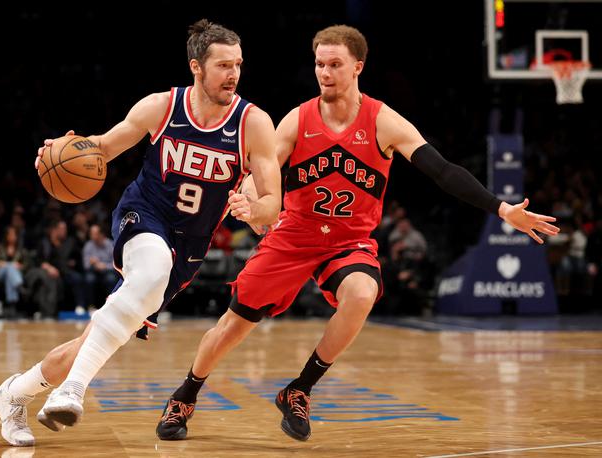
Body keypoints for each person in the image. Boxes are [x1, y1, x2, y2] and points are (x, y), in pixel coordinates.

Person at [156, 24, 560, 442]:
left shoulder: (382, 121)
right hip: (294, 236)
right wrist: (247, 198)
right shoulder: (298, 119)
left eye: (334, 64)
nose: (324, 72)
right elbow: (260, 172)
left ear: (357, 67)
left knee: (363, 293)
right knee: (232, 328)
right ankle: (185, 395)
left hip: (348, 242)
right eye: (319, 64)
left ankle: (299, 389)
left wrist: (501, 208)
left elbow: (441, 171)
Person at [0, 19, 281, 447]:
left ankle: (13, 394)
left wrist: (254, 206)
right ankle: (72, 391)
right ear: (196, 67)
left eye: (238, 64)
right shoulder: (162, 107)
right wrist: (60, 150)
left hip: (190, 248)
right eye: (223, 65)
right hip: (143, 216)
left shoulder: (253, 123)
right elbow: (104, 148)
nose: (234, 73)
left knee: (93, 342)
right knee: (151, 268)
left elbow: (273, 201)